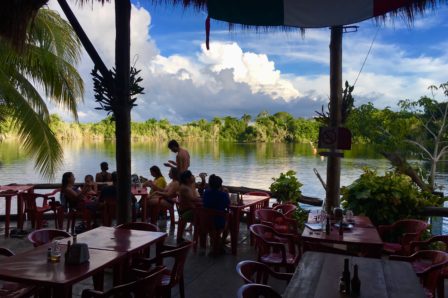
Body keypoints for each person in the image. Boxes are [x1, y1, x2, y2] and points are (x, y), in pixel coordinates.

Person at [202, 174, 230, 255]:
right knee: (230, 221)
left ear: (209, 184)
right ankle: (221, 242)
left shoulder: (206, 193)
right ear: (220, 185)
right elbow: (227, 204)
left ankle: (216, 241)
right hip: (219, 223)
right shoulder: (223, 195)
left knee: (214, 222)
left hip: (206, 221)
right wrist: (226, 194)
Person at [177, 170, 201, 242]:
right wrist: (205, 199)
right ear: (187, 179)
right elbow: (193, 199)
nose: (193, 177)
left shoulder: (188, 186)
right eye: (191, 176)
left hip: (189, 209)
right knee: (206, 215)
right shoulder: (185, 188)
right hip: (187, 211)